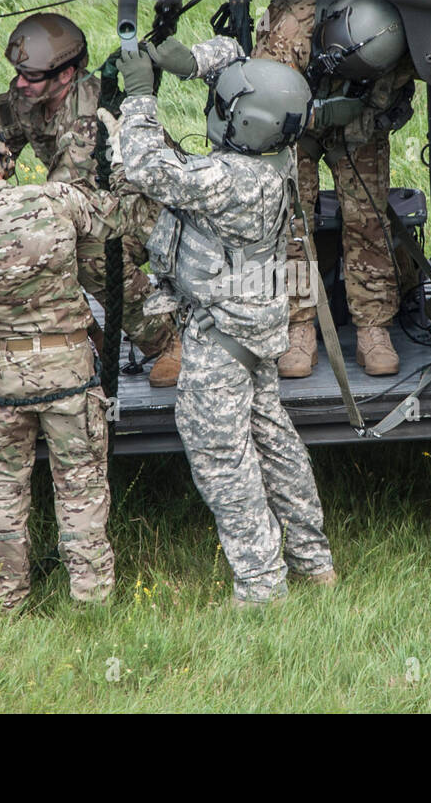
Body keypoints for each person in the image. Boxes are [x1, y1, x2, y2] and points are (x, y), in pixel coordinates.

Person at [104, 39, 337, 607]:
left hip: (220, 337)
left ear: (243, 124)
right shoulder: (275, 155)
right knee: (273, 438)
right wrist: (187, 60)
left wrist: (139, 96)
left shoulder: (228, 180)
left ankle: (261, 586)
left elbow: (146, 166)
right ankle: (314, 561)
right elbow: (239, 59)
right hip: (252, 329)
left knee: (221, 458)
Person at [0, 120, 159, 612]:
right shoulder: (56, 199)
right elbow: (119, 222)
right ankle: (92, 600)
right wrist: (122, 159)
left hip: (1, 381)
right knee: (80, 490)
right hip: (72, 374)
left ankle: (2, 600)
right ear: (3, 161)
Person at [0, 12, 181, 387]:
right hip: (101, 204)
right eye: (18, 73)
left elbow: (65, 199)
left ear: (66, 73)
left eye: (31, 76)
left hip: (155, 208)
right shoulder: (26, 95)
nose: (20, 83)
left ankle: (167, 340)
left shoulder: (90, 113)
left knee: (90, 252)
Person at [253, 0, 416, 378]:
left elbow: (400, 92)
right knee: (292, 222)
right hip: (294, 122)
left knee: (369, 217)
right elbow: (266, 103)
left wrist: (367, 107)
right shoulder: (290, 28)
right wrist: (318, 116)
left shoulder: (398, 38)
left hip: (359, 120)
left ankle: (373, 328)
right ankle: (298, 327)